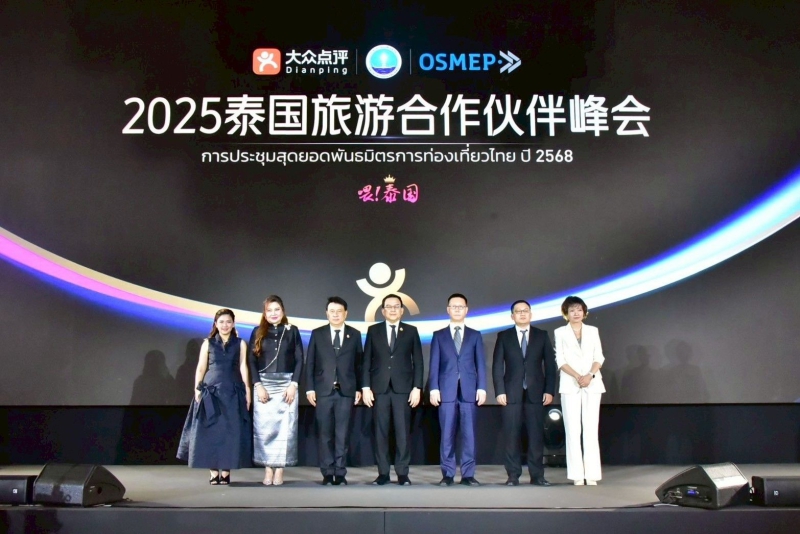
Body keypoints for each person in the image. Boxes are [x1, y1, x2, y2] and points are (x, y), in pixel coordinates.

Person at [177, 308, 251, 485]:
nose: (225, 325)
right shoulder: (208, 343)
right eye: (221, 322)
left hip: (232, 392)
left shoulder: (240, 343)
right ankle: (213, 471)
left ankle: (226, 471)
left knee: (230, 432)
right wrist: (197, 388)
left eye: (228, 322)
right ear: (215, 324)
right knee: (211, 432)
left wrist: (247, 389)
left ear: (233, 324)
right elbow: (201, 368)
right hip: (211, 392)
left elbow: (243, 367)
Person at [492, 300, 557, 486]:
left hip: (536, 392)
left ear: (531, 314)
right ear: (512, 316)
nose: (522, 313)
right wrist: (499, 391)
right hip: (510, 392)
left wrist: (549, 390)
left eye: (525, 310)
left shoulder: (541, 335)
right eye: (518, 311)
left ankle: (537, 475)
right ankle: (513, 475)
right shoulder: (504, 336)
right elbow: (497, 366)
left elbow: (550, 366)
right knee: (511, 435)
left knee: (536, 435)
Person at [362, 294, 423, 485]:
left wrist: (417, 387)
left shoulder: (411, 331)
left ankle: (402, 473)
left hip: (403, 389)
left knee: (402, 433)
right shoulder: (373, 330)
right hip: (379, 389)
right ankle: (383, 473)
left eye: (396, 306)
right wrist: (365, 387)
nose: (393, 310)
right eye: (389, 306)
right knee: (380, 432)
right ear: (383, 311)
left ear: (402, 310)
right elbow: (366, 361)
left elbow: (418, 362)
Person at [429, 293, 487, 486]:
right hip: (446, 390)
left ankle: (468, 474)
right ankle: (447, 474)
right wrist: (433, 388)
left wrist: (482, 388)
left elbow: (481, 364)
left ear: (466, 310)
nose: (457, 309)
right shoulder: (439, 335)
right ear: (448, 310)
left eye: (460, 306)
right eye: (453, 306)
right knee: (446, 434)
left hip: (469, 391)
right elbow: (434, 364)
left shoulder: (475, 335)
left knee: (469, 435)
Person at [306, 296, 363, 485]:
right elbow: (310, 362)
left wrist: (359, 388)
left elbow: (359, 364)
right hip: (323, 391)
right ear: (327, 313)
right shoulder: (318, 333)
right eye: (332, 311)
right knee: (325, 434)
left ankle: (340, 473)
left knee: (342, 434)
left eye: (339, 311)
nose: (336, 315)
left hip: (346, 391)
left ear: (346, 313)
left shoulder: (354, 334)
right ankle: (327, 472)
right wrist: (309, 388)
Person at [248, 295, 303, 486]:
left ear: (283, 311)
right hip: (264, 386)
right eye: (269, 310)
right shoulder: (257, 332)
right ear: (264, 313)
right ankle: (267, 469)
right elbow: (251, 361)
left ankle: (280, 469)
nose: (273, 313)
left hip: (287, 385)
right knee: (265, 429)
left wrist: (293, 384)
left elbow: (300, 360)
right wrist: (258, 385)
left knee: (285, 430)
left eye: (277, 309)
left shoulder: (292, 330)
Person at [554, 296, 605, 485]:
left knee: (591, 429)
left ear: (584, 312)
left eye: (579, 310)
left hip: (592, 384)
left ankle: (592, 474)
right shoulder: (560, 332)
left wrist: (589, 375)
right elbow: (560, 360)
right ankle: (577, 474)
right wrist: (577, 376)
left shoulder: (593, 330)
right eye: (572, 310)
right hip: (570, 384)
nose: (576, 313)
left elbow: (599, 357)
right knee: (572, 430)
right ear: (566, 313)